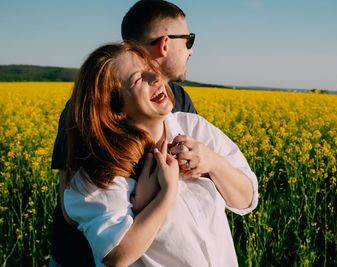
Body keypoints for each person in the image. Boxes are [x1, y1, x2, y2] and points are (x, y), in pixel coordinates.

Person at [63, 41, 258, 266]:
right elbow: (116, 256)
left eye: (150, 69)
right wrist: (166, 194)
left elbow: (247, 199)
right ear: (116, 110)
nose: (155, 79)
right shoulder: (102, 170)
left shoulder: (194, 128)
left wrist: (212, 163)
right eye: (138, 79)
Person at [50, 1, 196, 265]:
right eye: (188, 40)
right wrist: (147, 199)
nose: (191, 51)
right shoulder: (90, 110)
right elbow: (69, 209)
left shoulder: (179, 101)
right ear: (165, 44)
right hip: (80, 259)